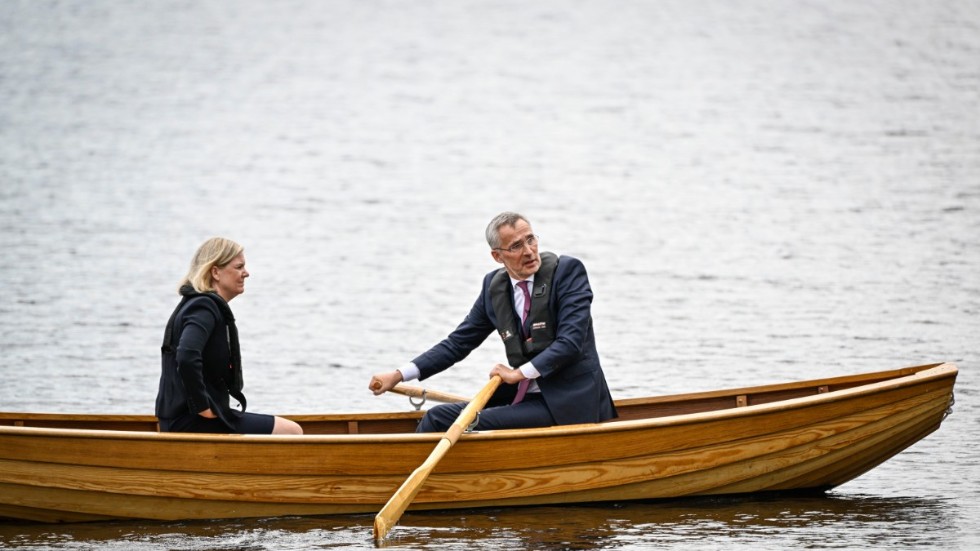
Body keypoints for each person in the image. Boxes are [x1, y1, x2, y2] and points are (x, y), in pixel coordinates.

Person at [368, 212, 617, 432]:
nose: (529, 251)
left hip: (569, 402)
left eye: (531, 239)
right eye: (517, 246)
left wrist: (517, 373)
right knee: (437, 417)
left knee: (449, 422)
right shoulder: (493, 287)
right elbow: (457, 344)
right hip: (523, 396)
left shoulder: (568, 272)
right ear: (497, 256)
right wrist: (399, 374)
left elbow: (570, 343)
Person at [155, 237, 302, 435]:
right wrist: (202, 407)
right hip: (191, 421)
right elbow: (187, 355)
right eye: (239, 267)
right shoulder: (203, 307)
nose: (246, 273)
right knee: (291, 431)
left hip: (181, 419)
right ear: (215, 272)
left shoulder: (195, 304)